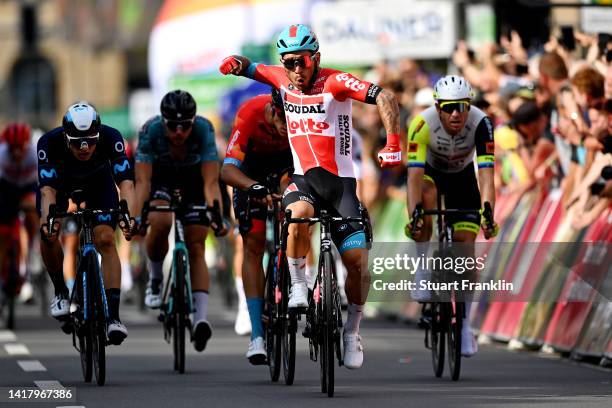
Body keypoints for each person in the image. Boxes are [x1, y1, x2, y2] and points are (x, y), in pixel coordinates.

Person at [219, 24, 402, 369]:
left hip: (342, 186)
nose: (296, 70)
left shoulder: (334, 82)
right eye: (289, 63)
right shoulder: (280, 78)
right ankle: (299, 285)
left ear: (315, 58)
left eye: (302, 61)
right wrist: (232, 62)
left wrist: (393, 145)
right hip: (303, 180)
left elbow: (386, 97)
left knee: (358, 264)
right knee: (297, 215)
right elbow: (248, 66)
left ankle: (351, 331)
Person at [406, 75, 499, 357]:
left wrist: (488, 213)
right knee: (426, 198)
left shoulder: (482, 124)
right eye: (449, 108)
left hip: (462, 179)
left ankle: (466, 325)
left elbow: (486, 176)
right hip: (430, 176)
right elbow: (413, 178)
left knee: (466, 250)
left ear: (470, 106)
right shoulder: (422, 124)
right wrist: (415, 216)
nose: (456, 114)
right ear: (437, 107)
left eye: (462, 106)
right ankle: (422, 271)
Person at [134, 89, 227, 353]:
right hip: (160, 181)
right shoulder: (150, 131)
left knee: (197, 244)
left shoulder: (204, 130)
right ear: (163, 122)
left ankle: (200, 320)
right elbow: (143, 181)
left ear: (193, 122)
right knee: (160, 221)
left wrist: (216, 213)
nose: (178, 132)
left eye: (185, 125)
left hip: (194, 182)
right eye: (172, 126)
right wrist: (139, 214)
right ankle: (155, 278)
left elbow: (211, 181)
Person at [37, 102, 136, 345]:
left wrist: (129, 215)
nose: (84, 148)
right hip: (62, 186)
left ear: (98, 134)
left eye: (91, 141)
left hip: (99, 186)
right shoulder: (49, 143)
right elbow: (47, 191)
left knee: (105, 239)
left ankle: (113, 317)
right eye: (77, 142)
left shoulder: (112, 137)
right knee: (49, 234)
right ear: (65, 137)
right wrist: (47, 219)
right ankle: (61, 291)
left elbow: (126, 184)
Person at [220, 88, 292, 364]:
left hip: (287, 172)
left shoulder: (300, 117)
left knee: (299, 218)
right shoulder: (250, 113)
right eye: (282, 122)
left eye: (291, 123)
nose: (287, 129)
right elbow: (227, 170)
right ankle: (257, 336)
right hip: (251, 175)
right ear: (273, 111)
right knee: (254, 243)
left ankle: (299, 283)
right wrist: (253, 187)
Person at [0, 123, 39, 300]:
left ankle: (32, 249)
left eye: (20, 147)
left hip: (29, 187)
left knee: (31, 214)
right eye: (12, 148)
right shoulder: (1, 155)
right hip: (7, 188)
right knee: (3, 233)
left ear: (27, 144)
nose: (16, 153)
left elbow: (46, 185)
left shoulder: (35, 154)